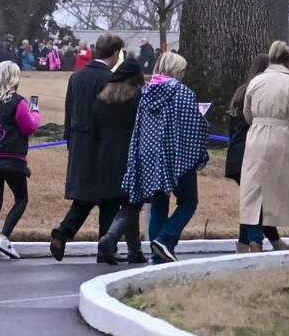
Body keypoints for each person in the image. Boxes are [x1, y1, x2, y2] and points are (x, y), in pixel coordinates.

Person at [123, 52, 208, 263]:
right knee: (188, 201)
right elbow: (192, 126)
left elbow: (139, 126)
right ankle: (165, 239)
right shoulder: (182, 92)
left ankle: (158, 255)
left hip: (150, 154)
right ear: (176, 71)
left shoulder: (145, 92)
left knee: (159, 203)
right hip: (177, 154)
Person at [50, 34, 124, 262]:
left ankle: (63, 232)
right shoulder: (110, 80)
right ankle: (106, 246)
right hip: (103, 147)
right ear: (114, 54)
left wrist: (70, 141)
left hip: (80, 144)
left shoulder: (77, 77)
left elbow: (69, 110)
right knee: (110, 200)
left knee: (85, 197)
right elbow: (112, 118)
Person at [239, 42, 289, 252]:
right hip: (285, 137)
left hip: (256, 137)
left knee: (255, 192)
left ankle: (255, 241)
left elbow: (247, 113)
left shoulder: (256, 82)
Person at [228, 54, 289, 253]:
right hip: (253, 153)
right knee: (257, 202)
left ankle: (248, 242)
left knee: (253, 201)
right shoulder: (261, 93)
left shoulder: (241, 91)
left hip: (236, 153)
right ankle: (255, 243)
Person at [0, 61, 41, 260]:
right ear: (15, 78)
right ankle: (3, 238)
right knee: (21, 198)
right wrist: (35, 111)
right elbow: (29, 127)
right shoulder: (19, 102)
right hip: (11, 157)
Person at [91, 60, 147, 265]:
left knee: (118, 202)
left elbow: (95, 128)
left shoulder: (101, 99)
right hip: (129, 155)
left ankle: (134, 250)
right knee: (133, 202)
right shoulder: (137, 98)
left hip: (104, 156)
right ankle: (111, 238)